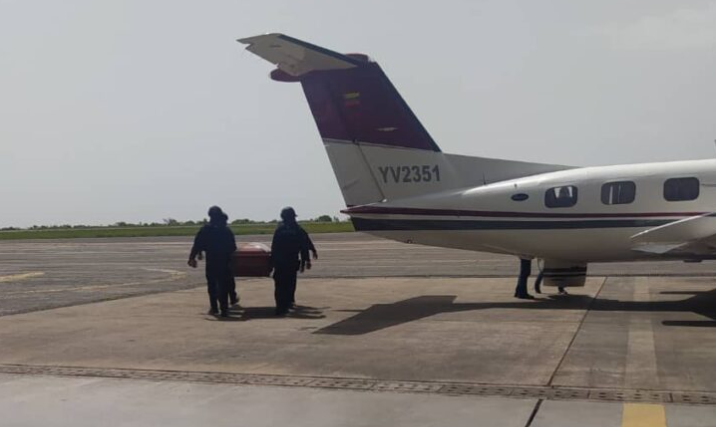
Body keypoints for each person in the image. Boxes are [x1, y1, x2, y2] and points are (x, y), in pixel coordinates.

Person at [188, 206, 237, 317]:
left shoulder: (205, 229)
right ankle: (224, 309)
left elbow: (197, 244)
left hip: (211, 260)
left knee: (212, 284)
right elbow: (233, 247)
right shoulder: (225, 230)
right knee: (223, 284)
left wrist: (192, 257)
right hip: (224, 261)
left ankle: (214, 307)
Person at [270, 207, 310, 316]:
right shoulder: (297, 230)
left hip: (280, 262)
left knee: (279, 285)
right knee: (290, 284)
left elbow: (274, 247)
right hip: (291, 261)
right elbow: (303, 246)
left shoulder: (279, 230)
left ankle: (280, 307)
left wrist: (272, 263)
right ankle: (288, 303)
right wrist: (305, 261)